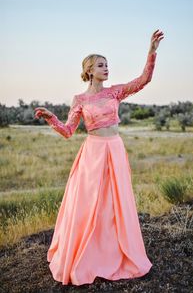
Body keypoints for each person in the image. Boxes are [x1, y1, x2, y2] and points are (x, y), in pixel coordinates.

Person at [34, 29, 164, 286]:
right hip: (92, 153)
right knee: (91, 204)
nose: (107, 68)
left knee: (114, 203)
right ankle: (87, 253)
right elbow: (68, 131)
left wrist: (151, 51)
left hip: (114, 149)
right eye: (101, 65)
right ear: (89, 70)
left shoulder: (115, 92)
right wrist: (52, 118)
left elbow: (144, 79)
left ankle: (114, 251)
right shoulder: (80, 99)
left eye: (107, 65)